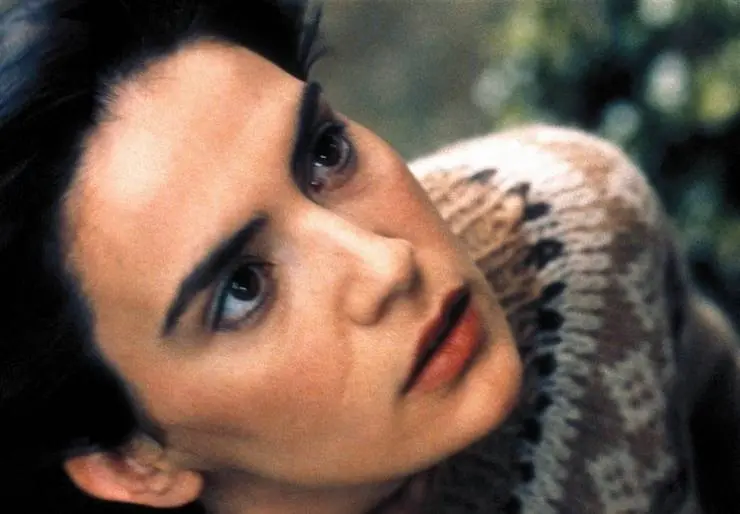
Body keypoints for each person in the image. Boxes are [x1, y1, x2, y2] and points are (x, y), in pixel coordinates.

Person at [0, 1, 737, 513]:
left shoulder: (572, 242)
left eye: (324, 154)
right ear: (134, 463)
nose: (388, 266)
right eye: (243, 288)